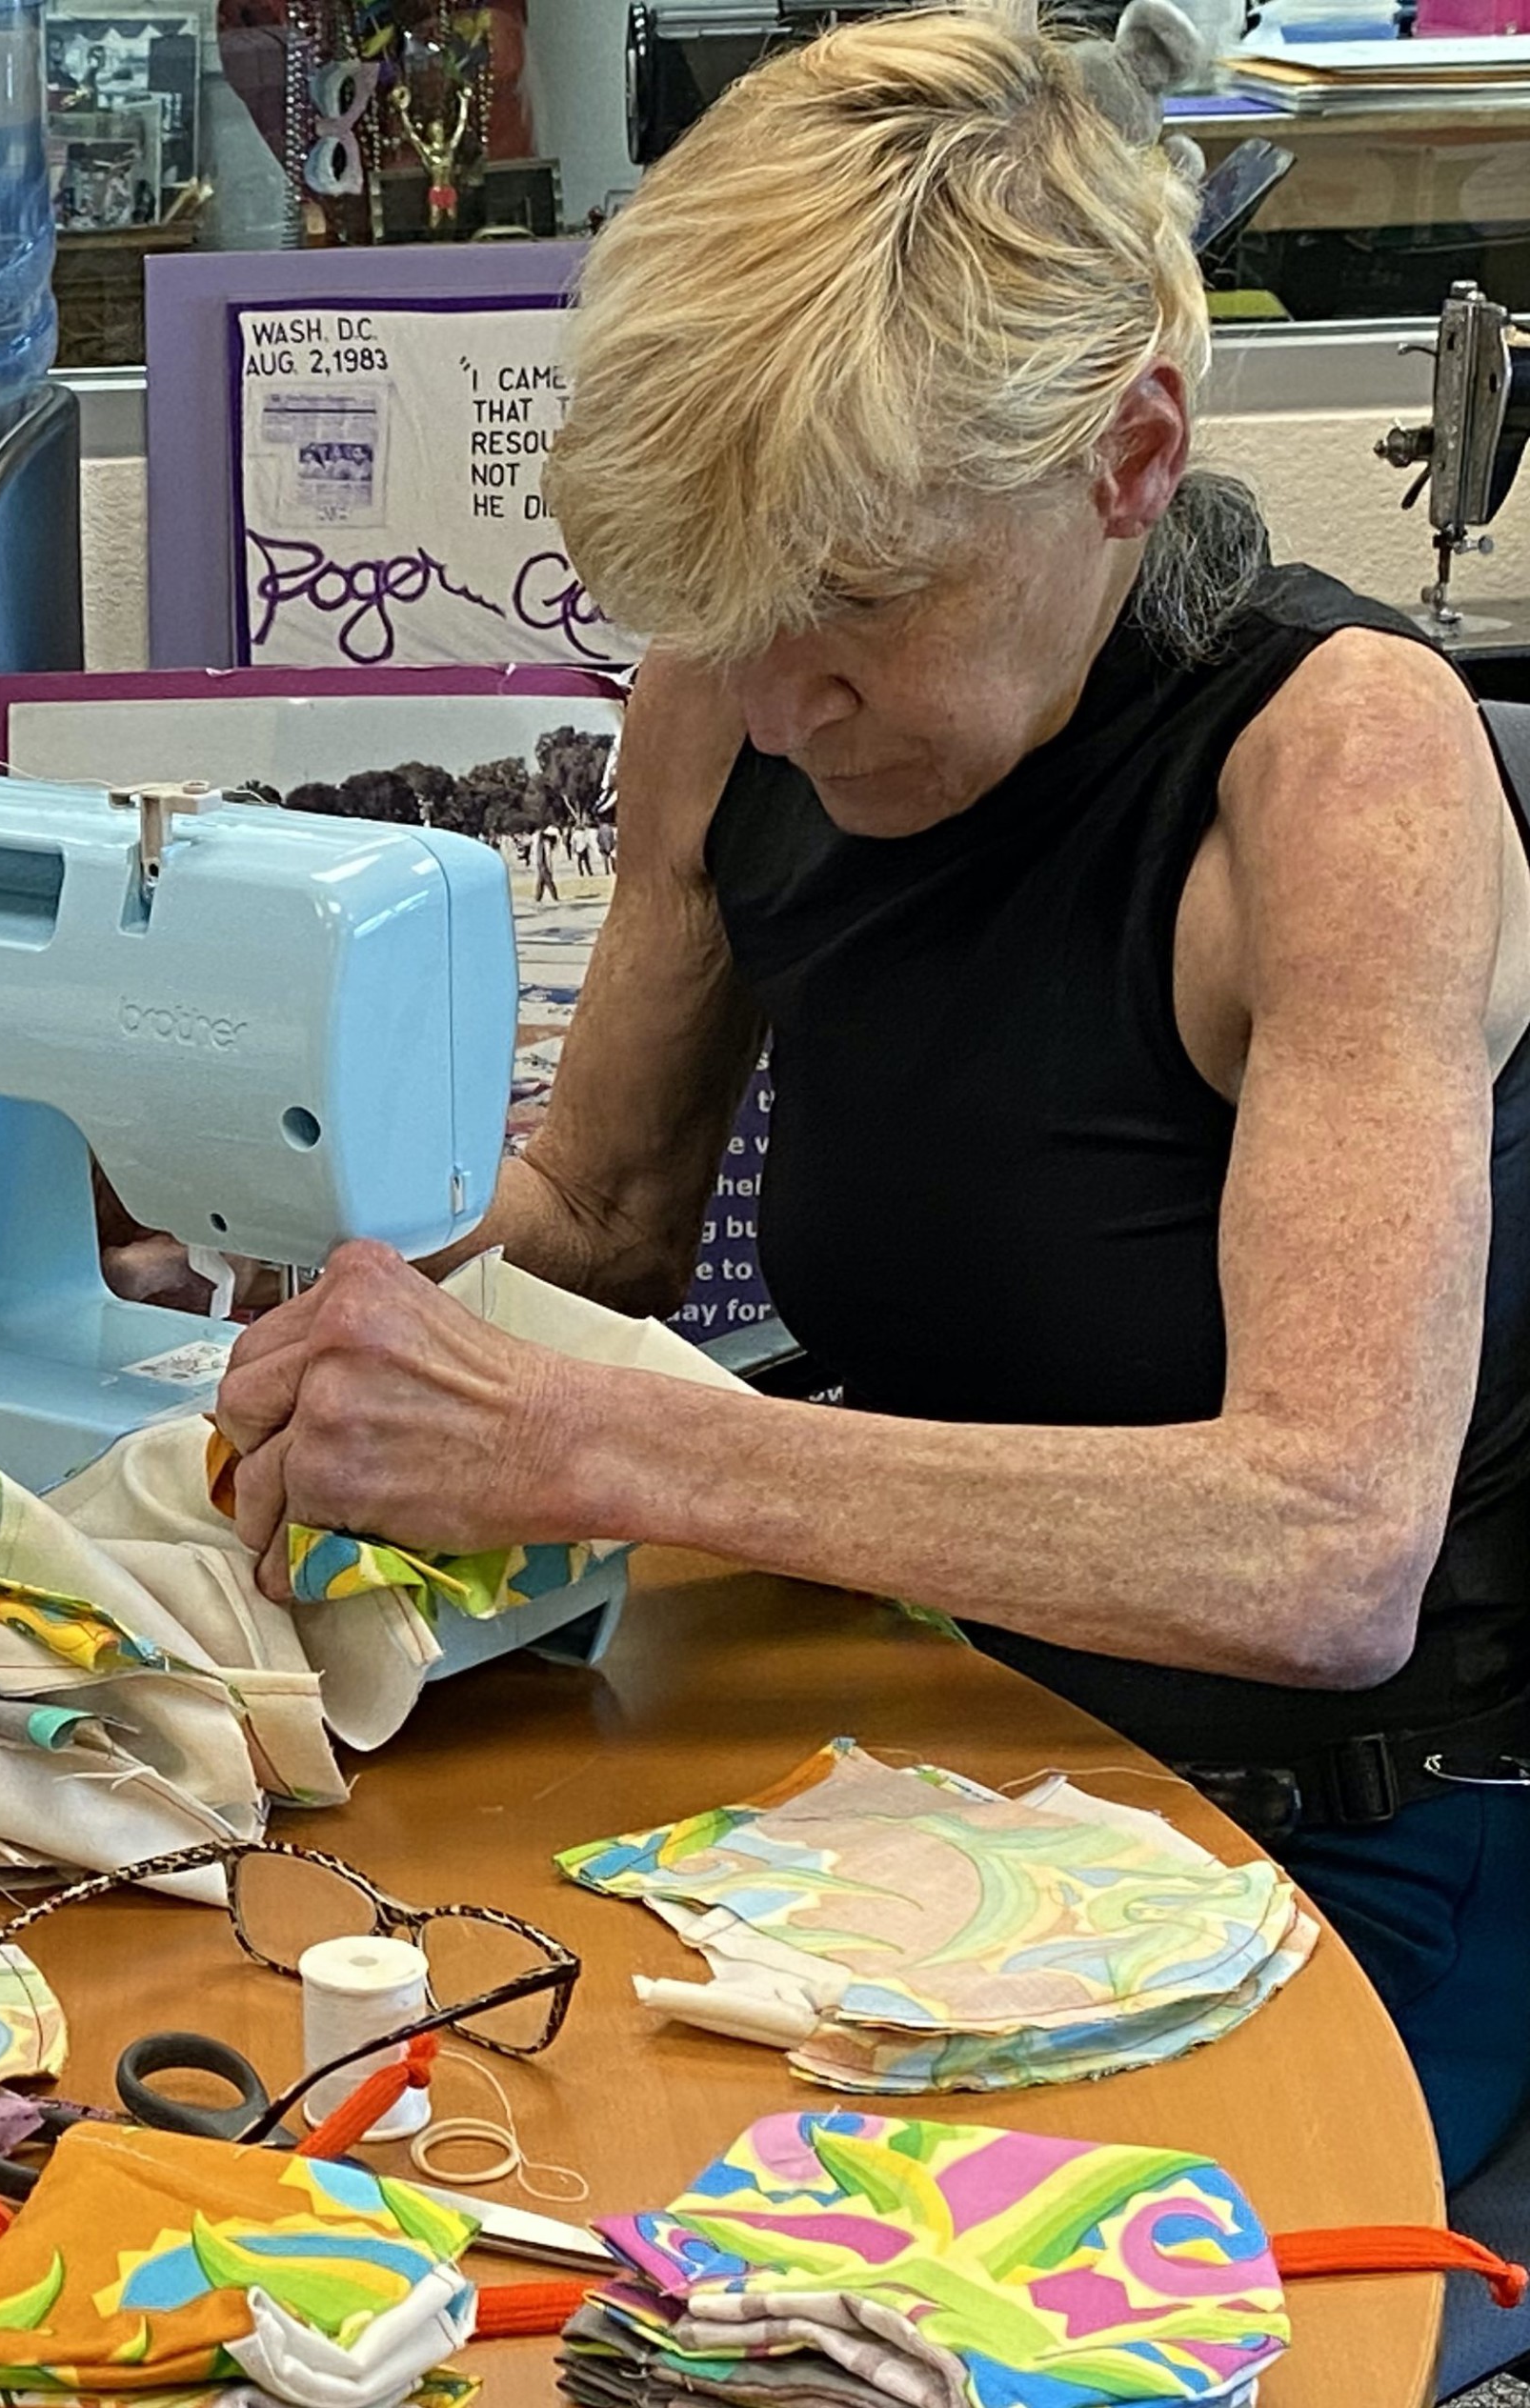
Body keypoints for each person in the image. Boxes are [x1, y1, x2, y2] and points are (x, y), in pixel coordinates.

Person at [212, 0, 1530, 2183]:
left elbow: (1319, 1551)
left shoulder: (1335, 779)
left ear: (1126, 454)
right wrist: (292, 1268)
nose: (774, 686)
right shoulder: (734, 694)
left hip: (1350, 1840)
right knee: (397, 2112)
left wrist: (614, 1446)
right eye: (719, 609)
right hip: (946, 1744)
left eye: (853, 600)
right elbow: (602, 1212)